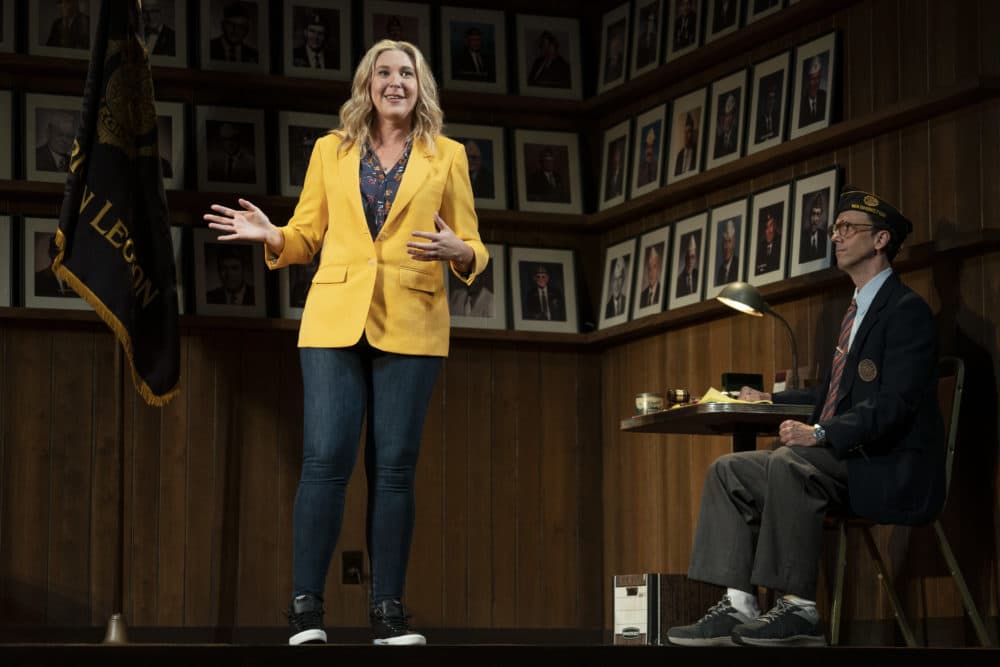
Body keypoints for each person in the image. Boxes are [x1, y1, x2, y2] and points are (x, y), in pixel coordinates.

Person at [203, 39, 487, 646]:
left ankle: (388, 613)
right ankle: (306, 611)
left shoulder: (448, 156)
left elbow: (471, 244)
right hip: (333, 319)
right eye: (383, 72)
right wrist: (271, 234)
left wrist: (459, 252)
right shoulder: (331, 151)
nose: (395, 82)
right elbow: (307, 234)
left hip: (412, 320)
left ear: (421, 85)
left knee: (393, 471)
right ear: (366, 84)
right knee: (325, 461)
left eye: (407, 73)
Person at [665, 187, 942, 648]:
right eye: (835, 228)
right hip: (842, 458)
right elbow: (840, 392)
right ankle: (738, 603)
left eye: (848, 228)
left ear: (880, 240)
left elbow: (894, 404)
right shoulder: (855, 309)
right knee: (728, 470)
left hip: (884, 465)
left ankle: (799, 608)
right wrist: (771, 400)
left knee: (788, 461)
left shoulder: (905, 310)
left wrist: (819, 432)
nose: (836, 236)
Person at [799, 190, 829, 263]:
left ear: (820, 217)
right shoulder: (801, 237)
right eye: (813, 214)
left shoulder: (824, 236)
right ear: (809, 215)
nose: (815, 219)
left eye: (818, 214)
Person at [799, 56, 827, 127]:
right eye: (813, 79)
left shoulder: (824, 96)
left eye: (818, 78)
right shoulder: (801, 103)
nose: (816, 82)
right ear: (808, 80)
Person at [754, 77, 781, 144]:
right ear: (764, 101)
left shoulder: (778, 119)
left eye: (772, 99)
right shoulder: (758, 123)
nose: (771, 103)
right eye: (769, 99)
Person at [754, 208, 781, 274]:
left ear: (775, 226)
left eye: (771, 225)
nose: (769, 231)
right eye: (766, 227)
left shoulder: (781, 243)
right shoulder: (761, 247)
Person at [713, 93, 739, 158]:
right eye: (723, 116)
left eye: (728, 115)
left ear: (733, 117)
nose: (724, 120)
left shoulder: (736, 136)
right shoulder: (718, 141)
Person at [673, 112, 699, 177]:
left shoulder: (697, 152)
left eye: (689, 132)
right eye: (686, 132)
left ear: (692, 133)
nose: (687, 135)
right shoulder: (679, 155)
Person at [715, 218, 739, 285]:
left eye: (729, 241)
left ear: (734, 243)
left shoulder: (738, 265)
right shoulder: (721, 271)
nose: (726, 246)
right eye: (724, 242)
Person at [675, 232, 700, 298]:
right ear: (685, 258)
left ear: (695, 259)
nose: (690, 261)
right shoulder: (678, 281)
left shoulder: (698, 275)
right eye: (688, 257)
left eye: (692, 257)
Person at [638, 244, 662, 308]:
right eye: (649, 268)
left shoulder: (662, 291)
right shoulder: (642, 296)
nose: (651, 272)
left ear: (658, 269)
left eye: (654, 267)